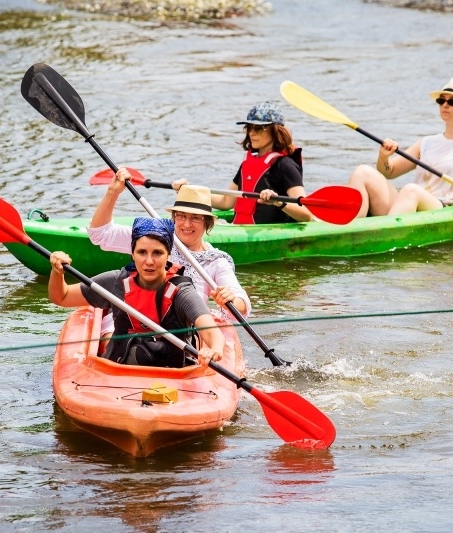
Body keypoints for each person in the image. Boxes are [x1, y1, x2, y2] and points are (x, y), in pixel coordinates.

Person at [48, 217, 224, 368]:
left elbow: (210, 331)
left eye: (157, 253)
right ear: (132, 254)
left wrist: (214, 349)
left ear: (168, 255)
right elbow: (62, 297)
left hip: (172, 371)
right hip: (119, 369)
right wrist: (57, 272)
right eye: (142, 252)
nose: (149, 261)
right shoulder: (116, 282)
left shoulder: (181, 291)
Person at [89, 169, 251, 321]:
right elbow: (101, 234)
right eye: (181, 216)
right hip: (137, 318)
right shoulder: (154, 238)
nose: (186, 224)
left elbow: (242, 305)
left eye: (195, 218)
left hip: (182, 327)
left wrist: (230, 301)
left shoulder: (215, 261)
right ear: (174, 217)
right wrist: (112, 193)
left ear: (207, 223)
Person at [346, 77, 453, 217]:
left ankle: (383, 235)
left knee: (411, 190)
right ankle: (350, 227)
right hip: (411, 206)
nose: (445, 105)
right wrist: (384, 156)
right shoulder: (427, 143)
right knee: (362, 172)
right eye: (441, 101)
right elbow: (389, 172)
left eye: (452, 102)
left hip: (445, 210)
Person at [173, 102, 313, 224]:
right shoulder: (248, 163)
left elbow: (306, 214)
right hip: (240, 227)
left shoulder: (285, 165)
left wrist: (278, 202)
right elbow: (226, 201)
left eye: (259, 128)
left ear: (276, 131)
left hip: (270, 234)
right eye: (249, 127)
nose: (252, 133)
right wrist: (188, 191)